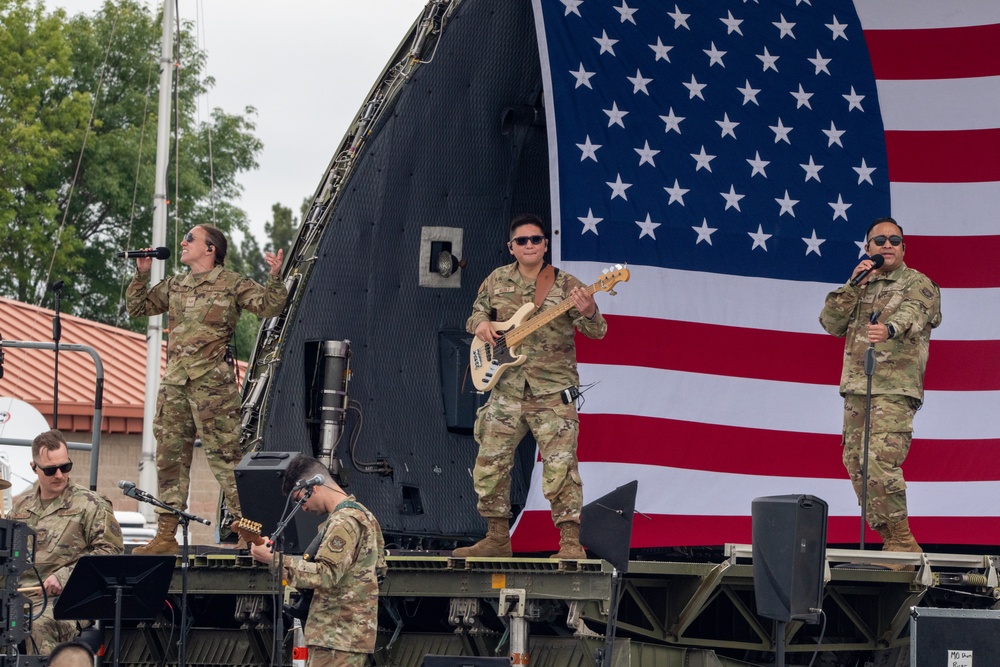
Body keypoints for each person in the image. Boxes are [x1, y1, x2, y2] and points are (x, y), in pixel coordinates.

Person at [453, 214, 607, 559]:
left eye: (535, 239)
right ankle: (496, 538)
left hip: (551, 393)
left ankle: (569, 544)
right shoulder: (496, 279)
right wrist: (481, 325)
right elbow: (476, 313)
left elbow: (598, 332)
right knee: (490, 463)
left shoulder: (567, 285)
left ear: (545, 244)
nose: (529, 245)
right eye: (521, 241)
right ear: (511, 247)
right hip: (506, 389)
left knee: (561, 467)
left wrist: (590, 310)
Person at [125, 224, 287, 554]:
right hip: (175, 386)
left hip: (213, 387)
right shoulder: (175, 285)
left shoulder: (231, 283)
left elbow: (269, 307)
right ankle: (166, 535)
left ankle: (249, 531)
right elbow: (138, 307)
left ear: (210, 249)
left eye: (190, 239)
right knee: (170, 461)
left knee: (227, 460)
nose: (182, 243)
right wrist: (141, 274)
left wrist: (275, 276)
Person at [819, 217, 942, 566]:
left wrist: (888, 328)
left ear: (904, 248)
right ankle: (891, 540)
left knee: (879, 460)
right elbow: (831, 324)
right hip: (858, 387)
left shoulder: (918, 283)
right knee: (855, 462)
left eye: (895, 240)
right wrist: (852, 285)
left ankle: (903, 539)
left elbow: (913, 315)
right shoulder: (862, 283)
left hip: (894, 388)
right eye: (879, 241)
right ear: (868, 248)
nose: (887, 245)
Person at [249, 456, 386, 667]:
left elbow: (325, 574)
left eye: (300, 498)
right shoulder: (363, 515)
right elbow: (379, 570)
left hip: (336, 636)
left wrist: (273, 560)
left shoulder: (344, 521)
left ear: (315, 487)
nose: (302, 507)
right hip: (345, 635)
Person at [9, 430, 124, 654]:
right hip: (19, 597)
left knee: (38, 625)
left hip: (66, 602)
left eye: (65, 467)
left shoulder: (91, 504)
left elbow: (110, 553)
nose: (60, 475)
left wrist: (64, 576)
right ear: (34, 467)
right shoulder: (20, 509)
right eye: (51, 470)